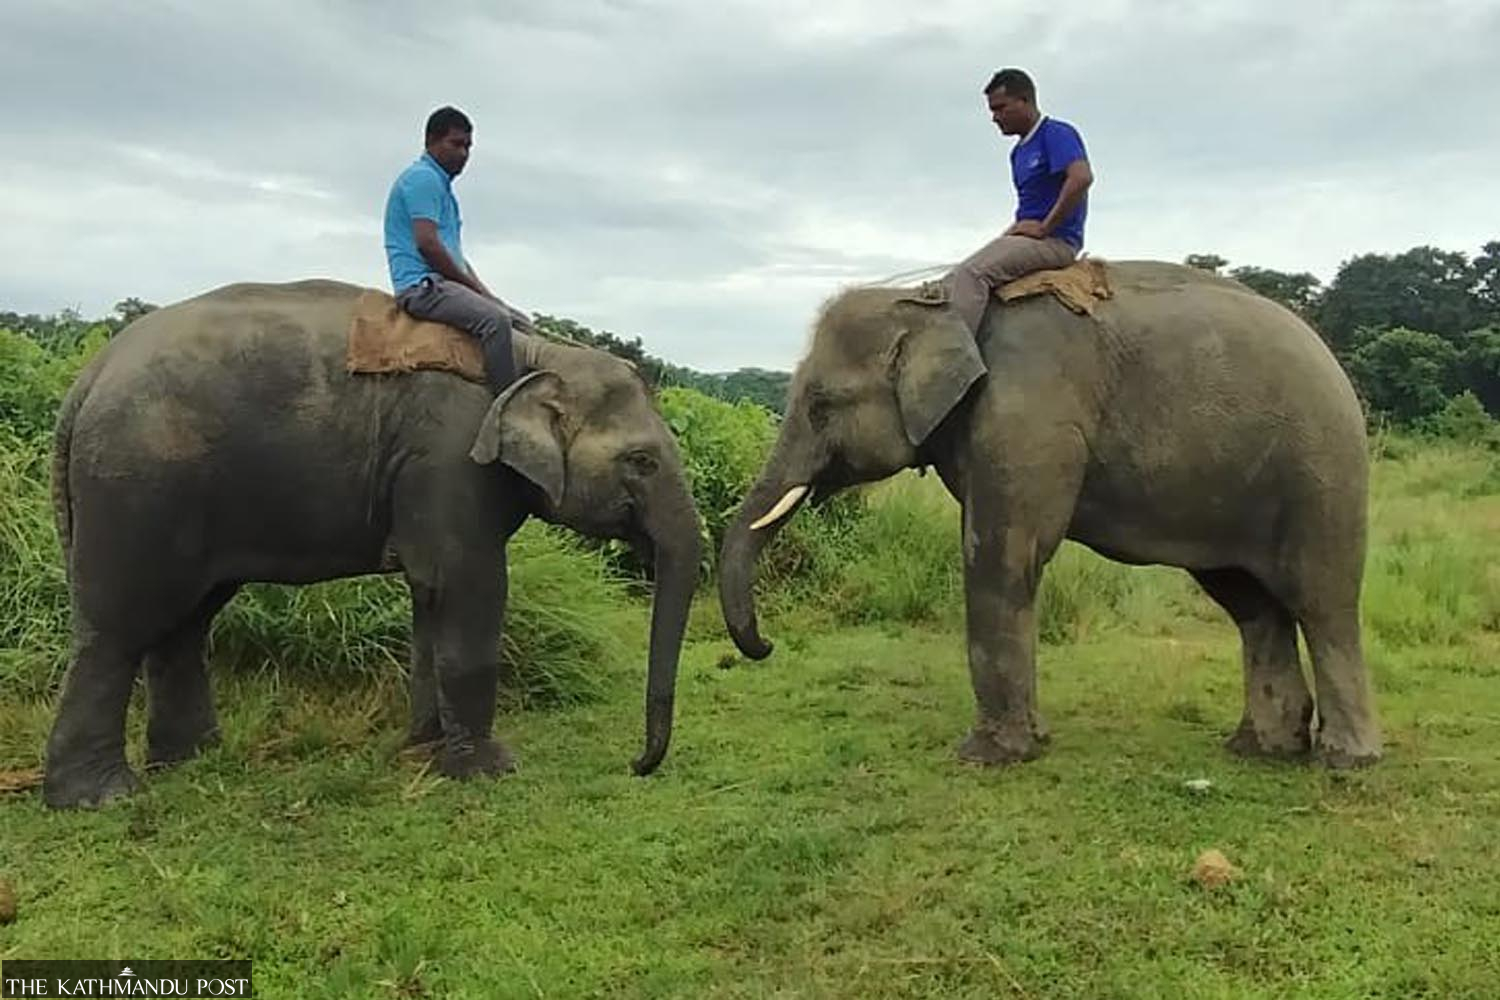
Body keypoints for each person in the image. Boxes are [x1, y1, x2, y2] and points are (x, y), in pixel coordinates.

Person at [383, 106, 529, 394]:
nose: (463, 153)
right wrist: (482, 297)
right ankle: (507, 403)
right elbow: (428, 246)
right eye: (456, 144)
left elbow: (455, 256)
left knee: (521, 322)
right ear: (431, 141)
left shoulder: (443, 189)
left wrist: (488, 294)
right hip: (422, 288)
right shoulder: (423, 178)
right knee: (496, 321)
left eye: (468, 146)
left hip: (443, 284)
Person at [947, 68, 1094, 334]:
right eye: (992, 110)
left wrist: (1045, 227)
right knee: (951, 281)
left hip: (1056, 241)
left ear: (1024, 101)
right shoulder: (1018, 152)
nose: (994, 117)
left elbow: (1081, 178)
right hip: (1028, 238)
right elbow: (1031, 207)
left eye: (1000, 108)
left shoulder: (1056, 133)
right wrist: (1012, 232)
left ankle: (953, 364)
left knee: (971, 275)